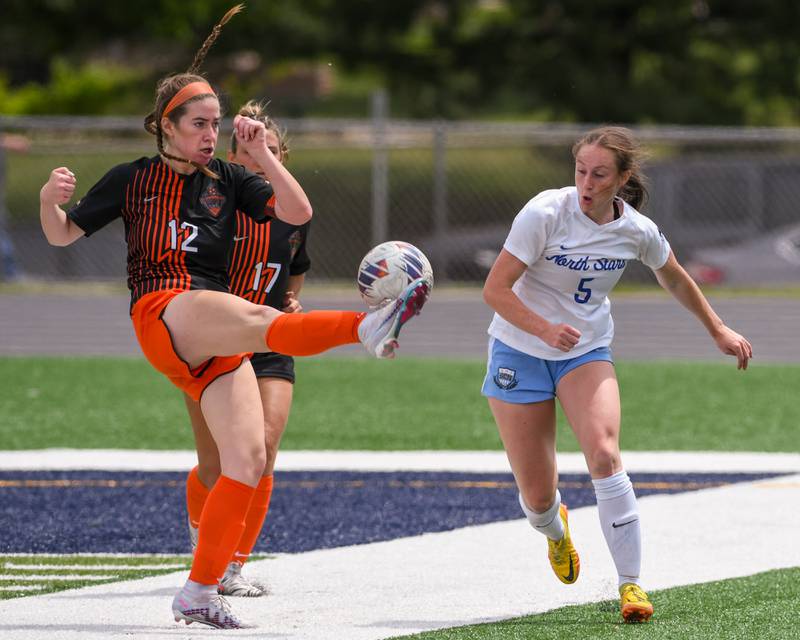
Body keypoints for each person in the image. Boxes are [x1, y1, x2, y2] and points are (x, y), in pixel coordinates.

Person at [38, 5, 431, 630]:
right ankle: (367, 326)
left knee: (247, 460)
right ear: (164, 126)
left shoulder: (228, 177)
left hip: (211, 334)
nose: (209, 134)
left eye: (216, 124)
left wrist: (261, 154)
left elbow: (297, 213)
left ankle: (198, 590)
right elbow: (61, 236)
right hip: (164, 307)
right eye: (198, 123)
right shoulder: (132, 178)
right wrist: (48, 200)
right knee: (256, 319)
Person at [481, 126, 752, 624]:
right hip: (519, 349)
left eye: (600, 173)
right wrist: (544, 328)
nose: (586, 182)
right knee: (538, 497)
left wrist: (717, 329)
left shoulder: (636, 230)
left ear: (622, 178)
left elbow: (673, 274)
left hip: (584, 350)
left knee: (605, 454)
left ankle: (631, 583)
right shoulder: (544, 212)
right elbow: (495, 291)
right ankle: (554, 530)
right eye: (581, 170)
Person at [184, 101, 308, 598]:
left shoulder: (293, 211)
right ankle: (203, 535)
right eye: (251, 152)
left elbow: (296, 267)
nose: (260, 160)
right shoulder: (212, 204)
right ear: (232, 156)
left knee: (264, 451)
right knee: (216, 465)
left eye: (271, 151)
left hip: (270, 340)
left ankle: (233, 565)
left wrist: (293, 299)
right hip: (214, 341)